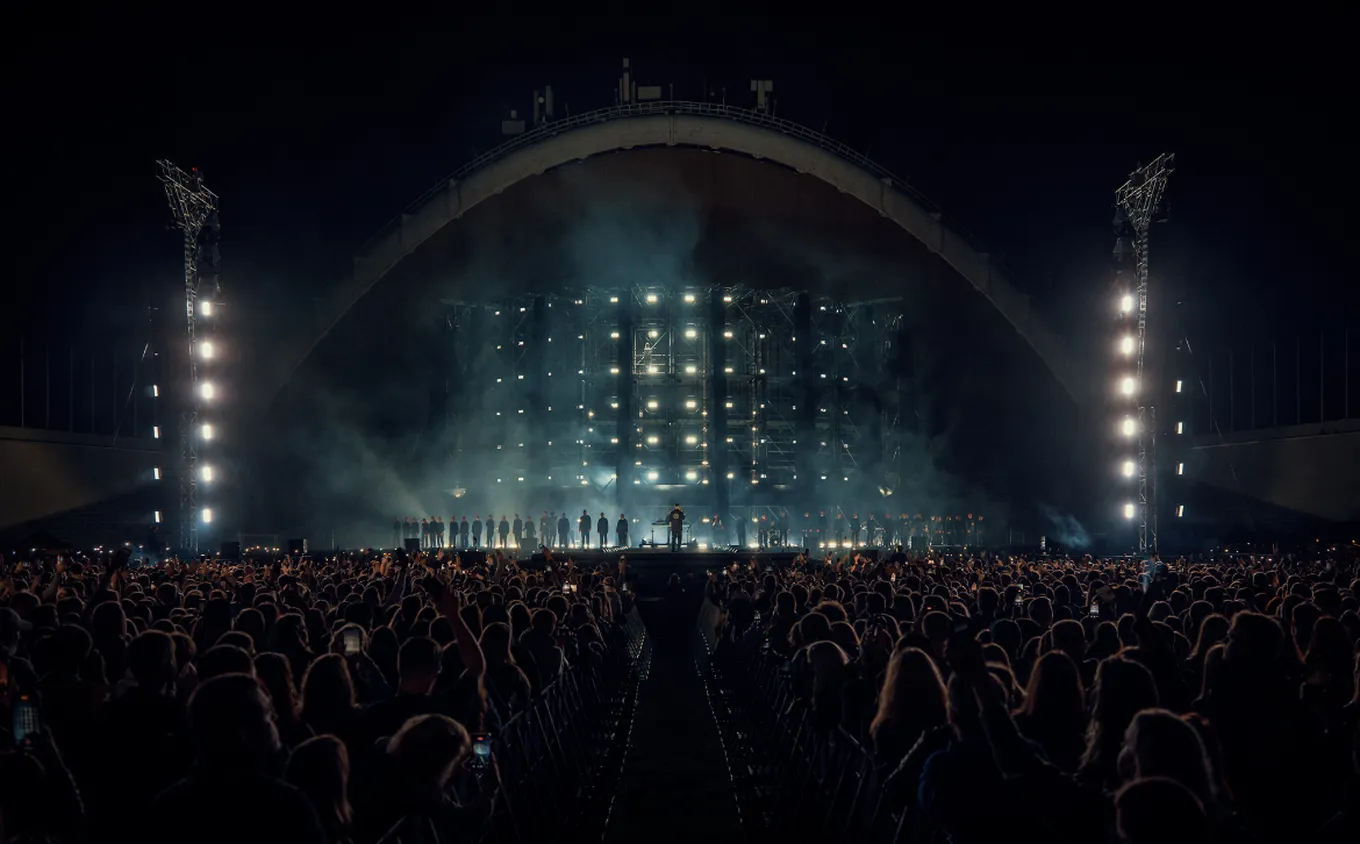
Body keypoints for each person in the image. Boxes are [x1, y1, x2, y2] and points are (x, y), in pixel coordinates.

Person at [150, 673, 327, 844]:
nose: (275, 718)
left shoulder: (169, 807)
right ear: (244, 733)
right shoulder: (286, 808)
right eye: (267, 715)